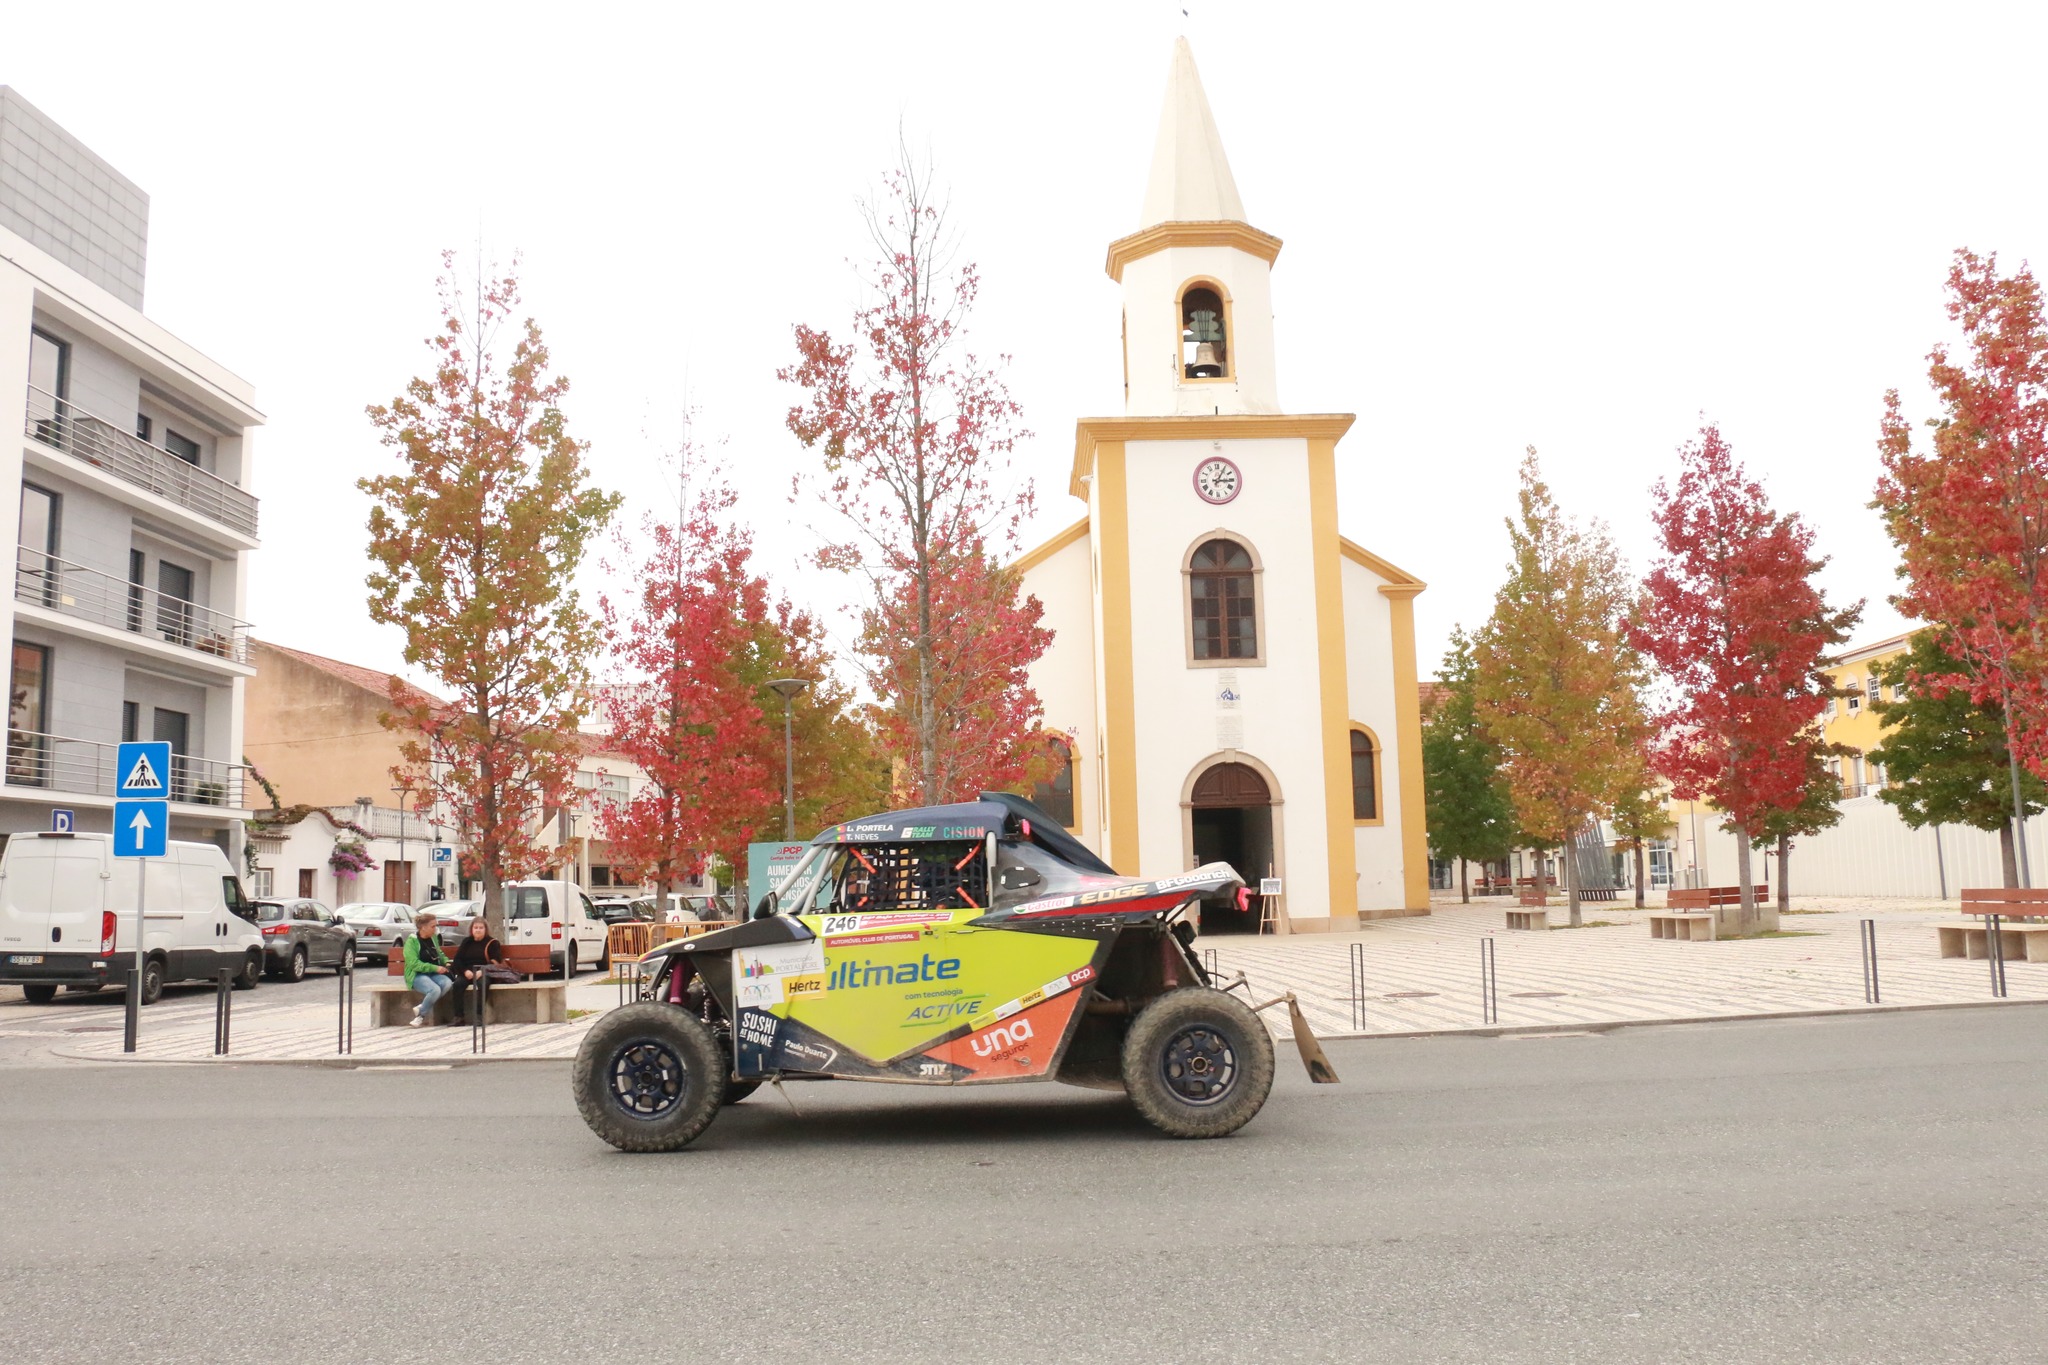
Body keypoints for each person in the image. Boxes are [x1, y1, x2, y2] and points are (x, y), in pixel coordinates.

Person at [402, 911, 453, 1028]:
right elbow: (413, 964)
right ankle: (420, 1016)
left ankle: (421, 1007)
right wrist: (434, 967)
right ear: (423, 927)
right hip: (417, 975)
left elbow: (439, 953)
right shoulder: (412, 942)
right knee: (434, 990)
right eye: (433, 926)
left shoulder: (433, 938)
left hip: (433, 973)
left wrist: (445, 961)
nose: (435, 929)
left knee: (447, 983)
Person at [449, 915, 503, 1023]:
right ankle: (459, 1017)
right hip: (468, 971)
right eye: (476, 928)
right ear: (471, 929)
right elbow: (458, 960)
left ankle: (479, 1016)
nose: (478, 930)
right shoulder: (467, 942)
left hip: (484, 972)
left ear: (485, 929)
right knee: (458, 984)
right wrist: (465, 971)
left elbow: (496, 962)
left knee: (482, 984)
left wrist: (482, 971)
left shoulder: (492, 943)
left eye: (481, 928)